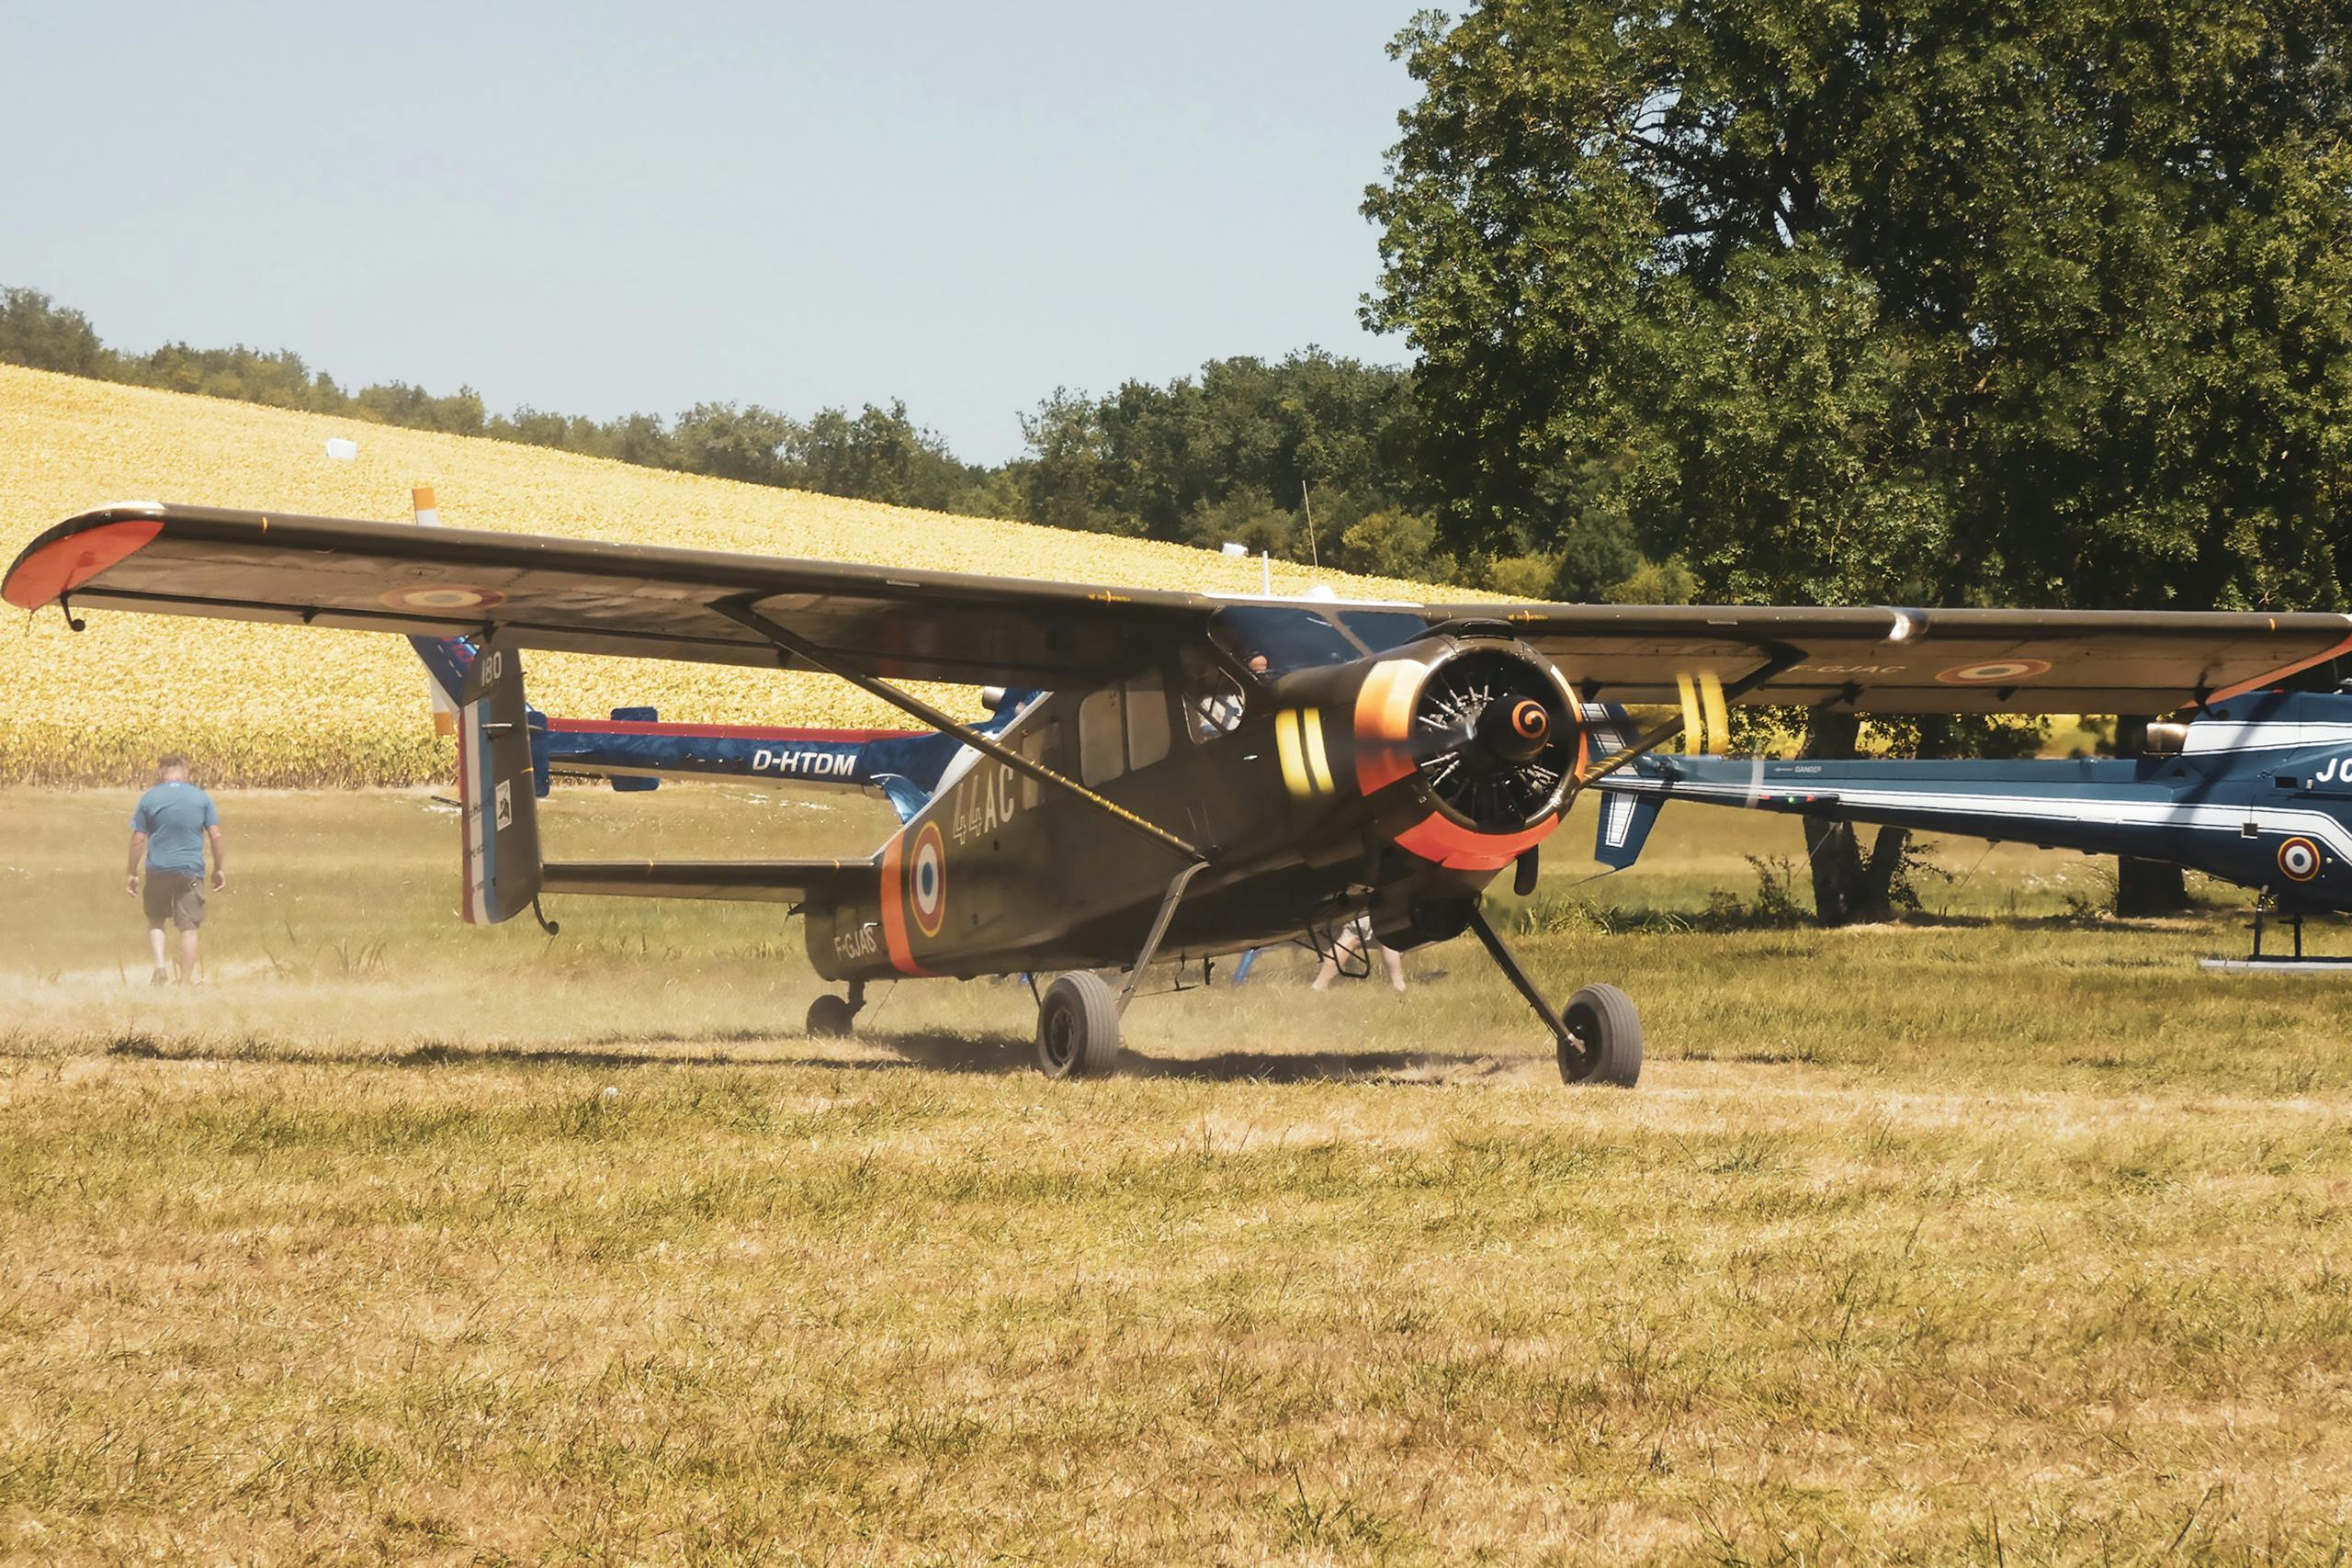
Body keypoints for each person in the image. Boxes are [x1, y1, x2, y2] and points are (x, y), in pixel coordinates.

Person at [126, 753, 224, 985]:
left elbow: (138, 838)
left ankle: (160, 968)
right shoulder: (201, 798)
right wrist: (219, 868)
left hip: (157, 869)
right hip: (190, 869)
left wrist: (131, 872)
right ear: (186, 774)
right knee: (188, 927)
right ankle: (185, 981)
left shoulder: (149, 798)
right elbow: (216, 833)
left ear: (161, 774)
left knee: (156, 918)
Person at [1311, 915, 1407, 995]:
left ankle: (1319, 985)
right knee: (1387, 936)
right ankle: (1398, 985)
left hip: (1366, 898)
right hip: (1385, 897)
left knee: (1352, 935)